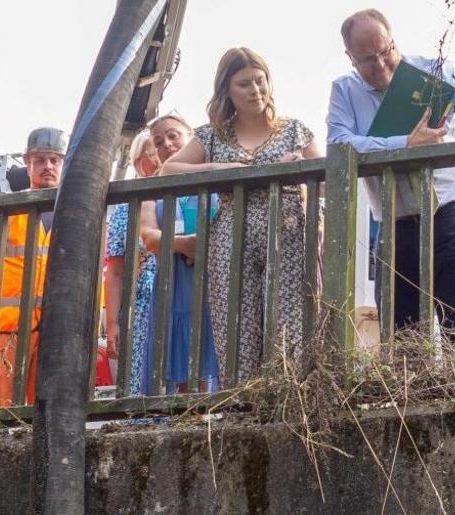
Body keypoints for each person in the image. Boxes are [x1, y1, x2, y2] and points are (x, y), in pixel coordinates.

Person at [327, 9, 455, 339]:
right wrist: (402, 144)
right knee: (403, 339)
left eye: (387, 52)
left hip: (454, 209)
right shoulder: (344, 91)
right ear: (350, 57)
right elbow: (339, 143)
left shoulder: (434, 71)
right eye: (369, 59)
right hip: (395, 222)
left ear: (394, 39)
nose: (382, 65)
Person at [159, 48, 323, 385]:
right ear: (227, 90)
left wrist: (301, 169)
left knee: (290, 325)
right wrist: (219, 168)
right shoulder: (211, 136)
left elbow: (327, 178)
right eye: (244, 83)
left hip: (288, 233)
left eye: (260, 81)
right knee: (237, 329)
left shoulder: (295, 131)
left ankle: (290, 405)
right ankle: (242, 407)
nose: (255, 90)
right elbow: (168, 168)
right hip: (230, 239)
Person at [105, 116, 218, 396]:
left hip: (215, 283)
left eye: (173, 136)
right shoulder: (151, 192)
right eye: (158, 142)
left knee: (213, 351)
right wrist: (185, 244)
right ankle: (188, 422)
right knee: (178, 357)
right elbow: (150, 238)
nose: (167, 145)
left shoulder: (214, 181)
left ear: (190, 135)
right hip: (173, 288)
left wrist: (203, 245)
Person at [0, 127, 62, 406]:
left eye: (54, 160)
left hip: (56, 331)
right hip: (3, 330)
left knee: (45, 412)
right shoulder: (3, 215)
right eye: (41, 160)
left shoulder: (76, 214)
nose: (48, 166)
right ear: (27, 162)